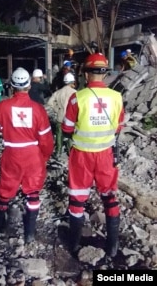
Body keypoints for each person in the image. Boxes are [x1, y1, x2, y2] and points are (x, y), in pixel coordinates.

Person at [62, 53, 125, 258]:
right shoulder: (116, 97)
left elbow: (67, 128)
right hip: (106, 155)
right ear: (104, 73)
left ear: (87, 74)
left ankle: (74, 244)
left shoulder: (77, 97)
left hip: (81, 156)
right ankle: (113, 246)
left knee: (77, 198)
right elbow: (119, 126)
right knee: (109, 196)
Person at [0, 67, 54, 243]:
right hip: (33, 155)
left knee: (4, 192)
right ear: (28, 85)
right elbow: (46, 140)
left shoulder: (2, 106)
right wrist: (44, 156)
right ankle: (29, 234)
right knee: (33, 193)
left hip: (11, 152)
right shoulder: (38, 109)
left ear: (11, 86)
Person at [47, 72, 76, 159]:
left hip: (60, 116)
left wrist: (57, 109)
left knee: (59, 135)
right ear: (72, 82)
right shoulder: (75, 93)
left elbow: (49, 103)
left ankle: (58, 152)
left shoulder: (58, 92)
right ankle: (70, 151)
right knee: (71, 135)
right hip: (71, 118)